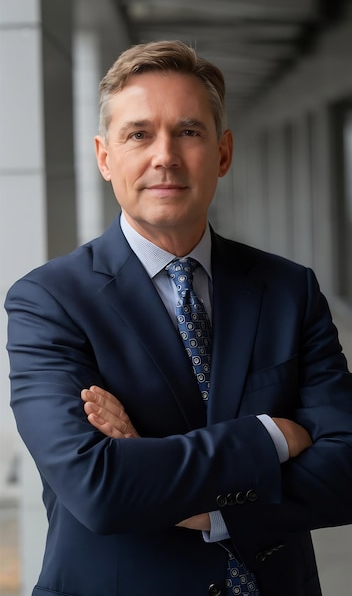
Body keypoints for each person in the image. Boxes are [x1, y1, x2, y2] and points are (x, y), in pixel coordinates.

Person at [5, 40, 352, 596]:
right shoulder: (48, 302)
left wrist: (205, 508)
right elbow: (100, 488)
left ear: (222, 153)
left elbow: (347, 468)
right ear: (104, 156)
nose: (164, 155)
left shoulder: (290, 289)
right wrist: (271, 436)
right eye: (138, 134)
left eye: (188, 131)